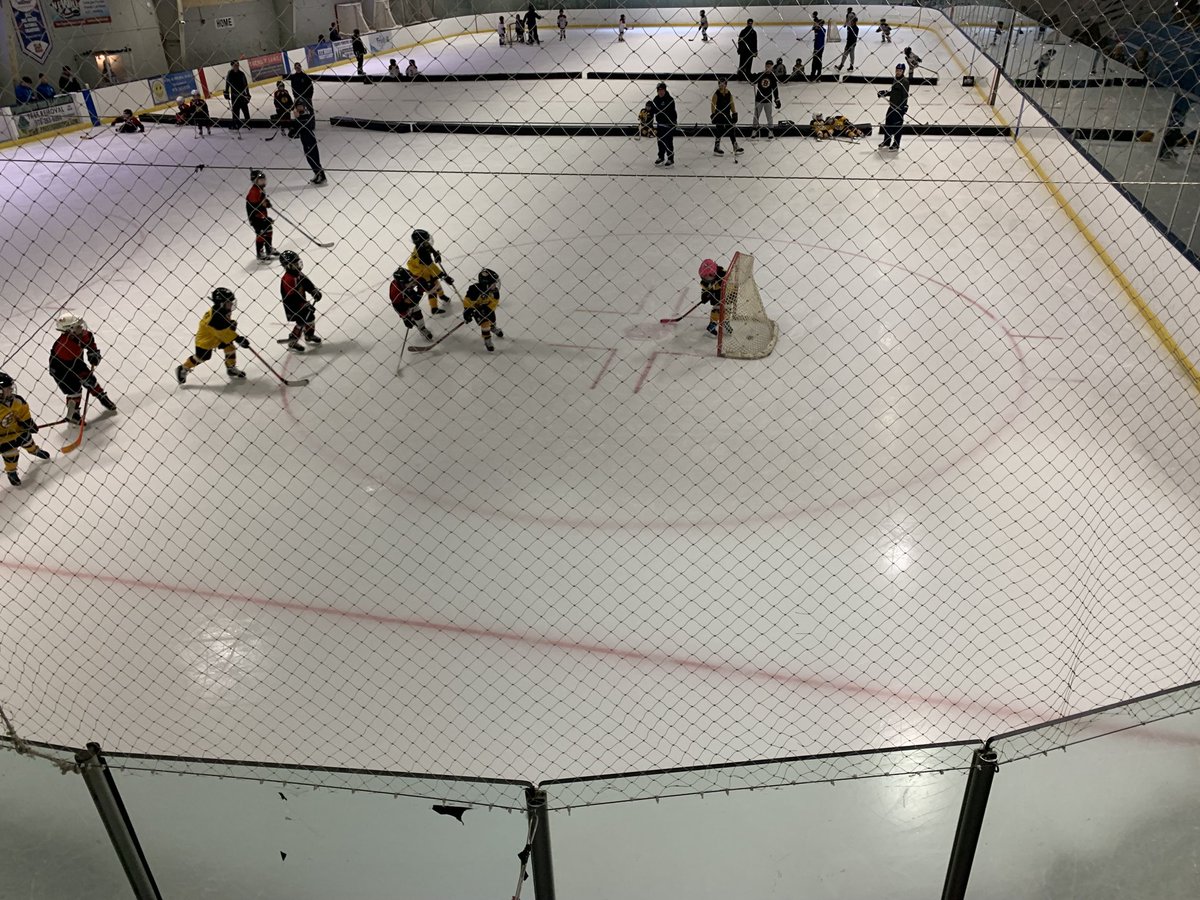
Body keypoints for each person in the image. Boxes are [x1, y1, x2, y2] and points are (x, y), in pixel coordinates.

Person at [49, 312, 117, 425]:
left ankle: (102, 397)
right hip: (60, 369)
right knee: (74, 390)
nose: (81, 327)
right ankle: (74, 414)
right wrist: (83, 377)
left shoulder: (84, 335)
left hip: (75, 361)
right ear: (69, 331)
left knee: (91, 381)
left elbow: (90, 344)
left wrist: (93, 353)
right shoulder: (64, 345)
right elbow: (73, 367)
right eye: (77, 326)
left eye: (80, 324)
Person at [175, 288, 250, 384]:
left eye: (231, 302)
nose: (231, 304)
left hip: (218, 336)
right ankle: (183, 368)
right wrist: (238, 338)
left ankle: (231, 368)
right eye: (228, 302)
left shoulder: (223, 310)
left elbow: (224, 328)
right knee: (203, 357)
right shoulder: (215, 317)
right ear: (221, 303)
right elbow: (221, 332)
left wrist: (231, 326)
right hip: (206, 341)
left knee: (230, 347)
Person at [0, 373, 51, 487]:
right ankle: (11, 472)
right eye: (7, 389)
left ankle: (34, 450)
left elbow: (24, 413)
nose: (11, 390)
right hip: (4, 439)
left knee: (28, 441)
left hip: (18, 430)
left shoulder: (17, 401)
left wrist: (28, 423)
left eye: (10, 387)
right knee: (11, 456)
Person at [279, 251, 323, 352]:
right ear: (287, 266)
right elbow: (292, 297)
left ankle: (309, 335)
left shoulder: (297, 273)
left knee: (310, 317)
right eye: (294, 264)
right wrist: (305, 305)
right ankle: (292, 341)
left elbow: (306, 282)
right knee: (301, 321)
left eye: (297, 262)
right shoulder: (288, 279)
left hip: (301, 303)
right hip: (293, 306)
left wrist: (313, 291)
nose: (297, 265)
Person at [407, 229, 454, 315]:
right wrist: (444, 276)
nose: (427, 241)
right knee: (432, 289)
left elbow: (430, 248)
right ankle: (434, 308)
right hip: (420, 272)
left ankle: (442, 295)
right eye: (425, 240)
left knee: (436, 283)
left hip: (424, 268)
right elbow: (433, 268)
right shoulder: (422, 253)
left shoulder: (423, 245)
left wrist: (435, 254)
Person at [463, 269, 504, 352]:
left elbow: (494, 302)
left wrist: (488, 308)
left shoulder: (494, 292)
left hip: (487, 308)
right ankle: (487, 339)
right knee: (485, 324)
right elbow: (467, 301)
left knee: (492, 319)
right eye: (493, 284)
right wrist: (468, 311)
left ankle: (492, 327)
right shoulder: (474, 290)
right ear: (485, 283)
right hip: (476, 309)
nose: (495, 286)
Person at [390, 267, 434, 341]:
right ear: (401, 283)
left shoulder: (411, 278)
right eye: (408, 283)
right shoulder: (394, 292)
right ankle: (410, 319)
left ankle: (422, 327)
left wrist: (419, 293)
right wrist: (405, 318)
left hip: (410, 294)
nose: (411, 284)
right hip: (402, 301)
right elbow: (397, 307)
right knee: (407, 312)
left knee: (416, 311)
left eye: (412, 281)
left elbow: (422, 282)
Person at [290, 99, 327, 185]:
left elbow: (303, 125)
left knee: (313, 157)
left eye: (301, 106)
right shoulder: (300, 115)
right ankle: (317, 174)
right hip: (305, 139)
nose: (299, 108)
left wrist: (297, 119)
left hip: (309, 139)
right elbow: (296, 130)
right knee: (309, 157)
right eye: (298, 106)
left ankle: (321, 175)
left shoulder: (306, 115)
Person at [246, 169, 278, 261]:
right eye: (260, 180)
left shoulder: (261, 189)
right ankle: (260, 253)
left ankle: (269, 249)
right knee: (261, 233)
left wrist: (266, 203)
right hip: (256, 218)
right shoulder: (254, 191)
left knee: (269, 230)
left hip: (262, 216)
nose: (263, 182)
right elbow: (255, 206)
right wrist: (263, 204)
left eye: (264, 180)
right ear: (255, 181)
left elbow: (263, 200)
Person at [877, 62, 909, 150]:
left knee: (897, 126)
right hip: (892, 106)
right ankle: (887, 141)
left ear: (903, 71)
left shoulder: (905, 82)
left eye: (900, 70)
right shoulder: (895, 79)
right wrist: (885, 93)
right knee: (888, 124)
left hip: (899, 108)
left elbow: (905, 95)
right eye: (897, 70)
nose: (898, 72)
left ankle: (896, 144)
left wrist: (904, 106)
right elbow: (894, 92)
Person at [710, 75, 743, 155]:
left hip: (727, 114)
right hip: (719, 115)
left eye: (723, 83)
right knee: (719, 130)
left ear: (726, 84)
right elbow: (713, 105)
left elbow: (732, 104)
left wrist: (734, 113)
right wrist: (713, 114)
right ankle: (716, 147)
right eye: (720, 83)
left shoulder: (729, 93)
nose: (722, 85)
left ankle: (735, 146)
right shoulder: (716, 94)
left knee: (731, 129)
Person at [646, 81, 677, 166]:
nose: (661, 92)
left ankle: (670, 158)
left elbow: (670, 112)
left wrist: (673, 123)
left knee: (668, 142)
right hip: (660, 125)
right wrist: (648, 108)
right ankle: (661, 157)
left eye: (662, 90)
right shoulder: (656, 99)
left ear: (665, 90)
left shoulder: (669, 100)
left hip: (668, 125)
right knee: (660, 141)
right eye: (659, 90)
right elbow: (653, 111)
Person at [698, 259, 729, 337]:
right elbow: (704, 290)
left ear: (714, 274)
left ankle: (726, 323)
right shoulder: (705, 282)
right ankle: (712, 325)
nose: (707, 280)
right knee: (716, 310)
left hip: (725, 296)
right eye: (705, 278)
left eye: (709, 278)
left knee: (727, 310)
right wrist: (705, 296)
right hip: (716, 298)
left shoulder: (723, 275)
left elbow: (730, 282)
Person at [1159, 93, 1191, 160]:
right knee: (1173, 132)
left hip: (1180, 112)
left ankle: (1166, 149)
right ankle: (1164, 151)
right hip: (1178, 114)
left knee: (1175, 131)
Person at [752, 60, 779, 139]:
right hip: (759, 99)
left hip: (768, 99)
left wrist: (777, 99)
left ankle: (770, 130)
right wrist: (753, 77)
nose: (768, 67)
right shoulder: (761, 75)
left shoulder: (773, 77)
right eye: (767, 66)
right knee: (756, 115)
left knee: (769, 116)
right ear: (765, 66)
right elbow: (753, 81)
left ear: (772, 67)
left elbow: (775, 88)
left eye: (770, 66)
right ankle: (754, 129)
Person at [224, 60, 251, 135]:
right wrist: (226, 91)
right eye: (235, 65)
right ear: (232, 66)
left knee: (245, 109)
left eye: (237, 65)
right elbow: (227, 83)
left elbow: (245, 84)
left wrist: (247, 94)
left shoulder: (241, 74)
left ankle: (248, 123)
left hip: (242, 95)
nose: (237, 66)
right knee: (235, 111)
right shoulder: (230, 74)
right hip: (234, 96)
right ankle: (236, 124)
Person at [810, 14, 826, 80]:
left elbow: (819, 40)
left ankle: (818, 75)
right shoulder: (817, 29)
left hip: (819, 48)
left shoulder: (822, 30)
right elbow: (813, 28)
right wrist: (815, 27)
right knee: (815, 61)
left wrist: (817, 49)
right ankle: (813, 74)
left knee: (817, 61)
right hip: (816, 47)